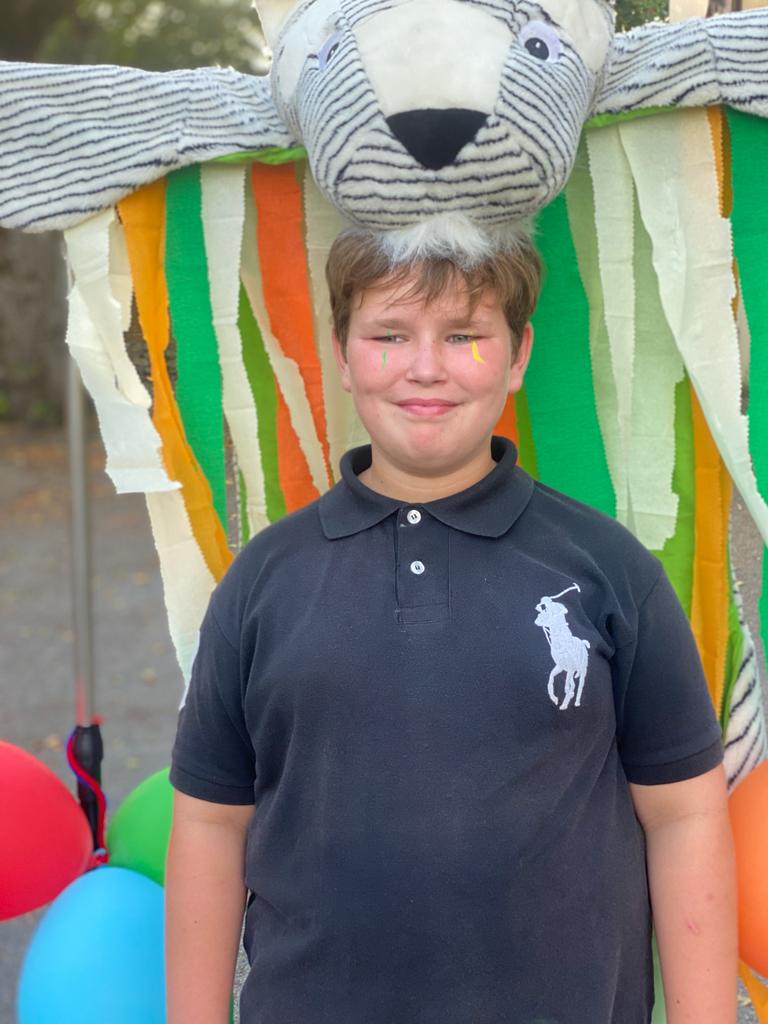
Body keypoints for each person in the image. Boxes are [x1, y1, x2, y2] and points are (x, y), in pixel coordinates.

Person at [165, 229, 737, 1024]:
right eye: (390, 335)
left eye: (464, 335)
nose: (426, 367)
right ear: (342, 352)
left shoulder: (609, 570)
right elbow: (209, 822)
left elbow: (684, 815)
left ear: (518, 354)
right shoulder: (263, 581)